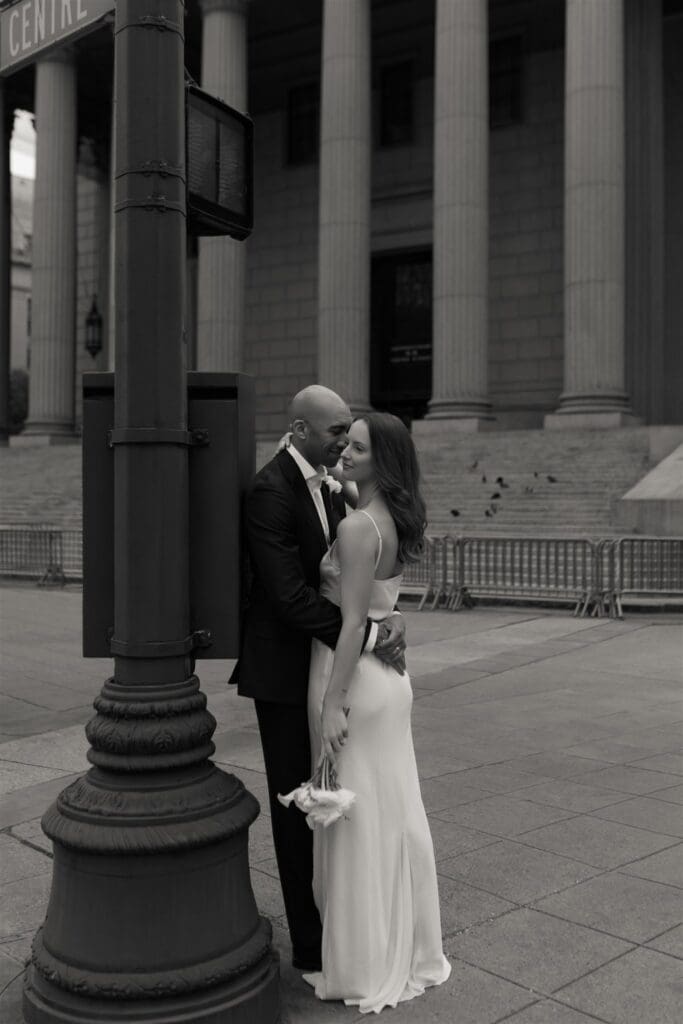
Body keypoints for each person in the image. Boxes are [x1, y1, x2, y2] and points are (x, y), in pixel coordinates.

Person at [230, 386, 406, 972]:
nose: (344, 443)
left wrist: (376, 621)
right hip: (283, 674)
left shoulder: (335, 484)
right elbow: (288, 598)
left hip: (328, 666)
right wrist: (374, 634)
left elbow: (358, 571)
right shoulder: (269, 491)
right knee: (296, 810)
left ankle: (341, 928)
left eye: (351, 434)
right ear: (301, 430)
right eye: (337, 433)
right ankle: (311, 945)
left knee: (336, 797)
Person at [303, 411, 451, 1013]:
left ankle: (364, 964)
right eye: (345, 442)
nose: (345, 451)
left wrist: (333, 703)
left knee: (359, 822)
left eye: (358, 447)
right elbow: (380, 608)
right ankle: (407, 945)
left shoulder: (360, 528)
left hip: (356, 683)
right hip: (389, 682)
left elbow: (353, 622)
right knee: (393, 812)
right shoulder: (384, 516)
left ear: (382, 461)